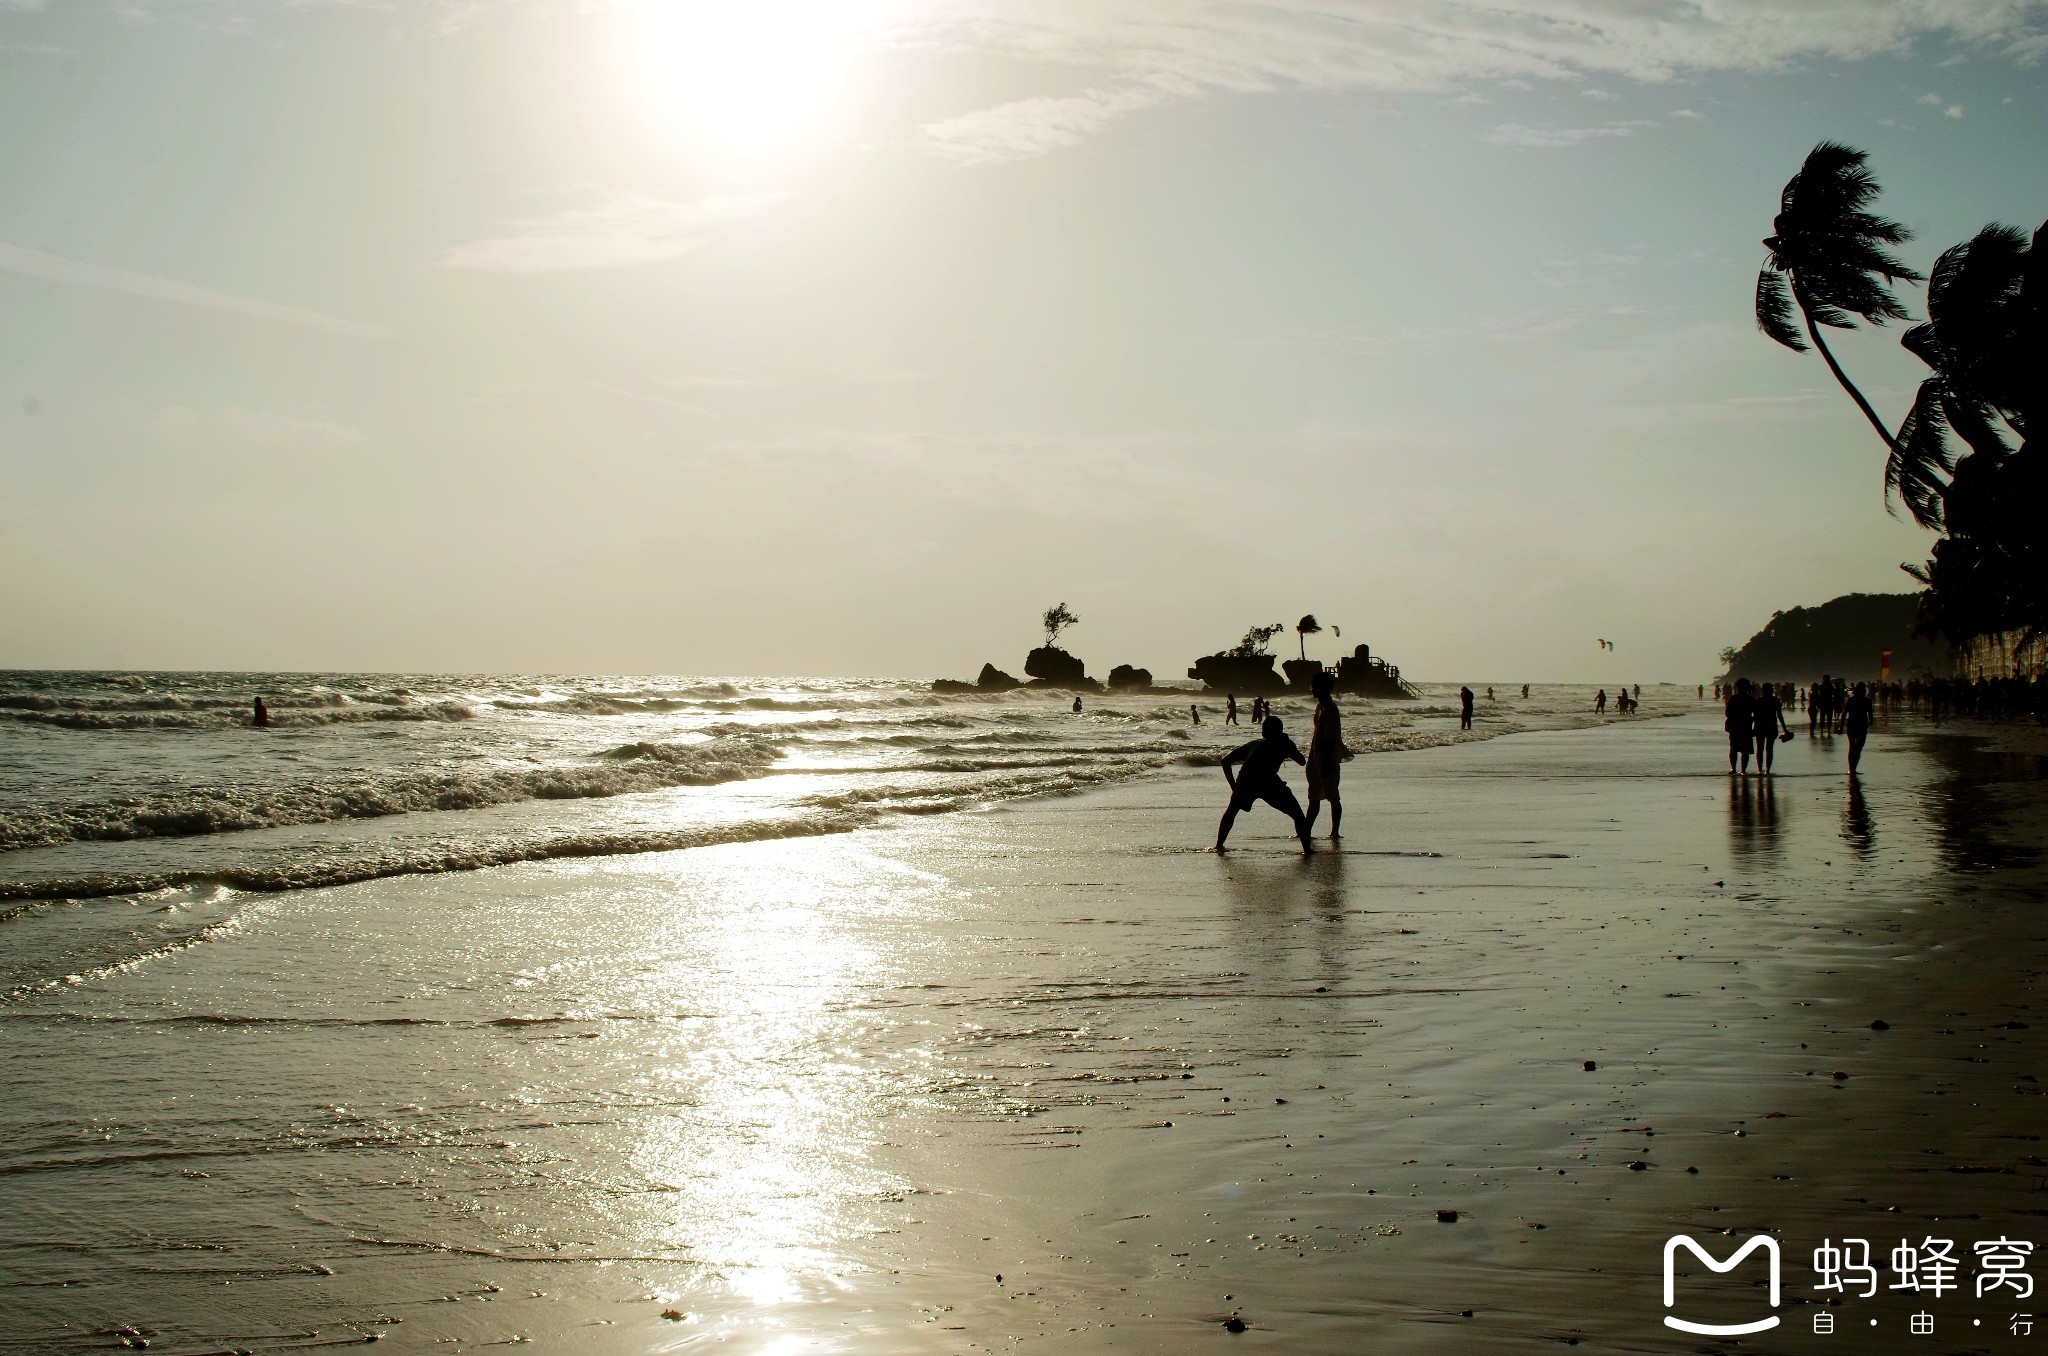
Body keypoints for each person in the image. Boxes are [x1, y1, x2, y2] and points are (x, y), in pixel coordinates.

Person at [1216, 715, 1312, 854]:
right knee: (1297, 815)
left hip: (1247, 780)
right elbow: (1301, 761)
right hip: (1268, 781)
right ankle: (1307, 850)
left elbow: (1225, 761)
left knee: (1231, 812)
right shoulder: (1285, 744)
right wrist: (1289, 746)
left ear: (1264, 732)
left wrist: (1234, 787)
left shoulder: (1254, 744)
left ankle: (1218, 845)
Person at [1304, 671, 1349, 840]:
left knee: (1332, 795)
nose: (1312, 689)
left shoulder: (1330, 709)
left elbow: (1332, 739)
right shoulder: (1320, 705)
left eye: (1314, 686)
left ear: (1324, 688)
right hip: (1316, 754)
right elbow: (1317, 733)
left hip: (1327, 756)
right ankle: (1306, 829)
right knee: (1313, 795)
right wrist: (1311, 755)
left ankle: (1335, 831)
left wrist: (1328, 762)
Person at [1752, 678, 1789, 773]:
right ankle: (1767, 770)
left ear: (1762, 690)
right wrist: (1785, 730)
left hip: (1760, 726)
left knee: (1760, 749)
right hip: (1771, 726)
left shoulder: (1759, 700)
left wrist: (1753, 728)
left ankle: (1760, 769)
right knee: (1769, 749)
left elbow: (1755, 716)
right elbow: (1779, 716)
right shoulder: (1775, 700)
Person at [1724, 677, 1755, 774]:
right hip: (1745, 726)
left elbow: (1727, 713)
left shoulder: (1734, 698)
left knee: (1734, 748)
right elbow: (1756, 714)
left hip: (1735, 726)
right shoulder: (1750, 699)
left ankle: (1734, 769)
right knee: (1744, 750)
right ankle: (1742, 770)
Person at [1845, 681, 1874, 773]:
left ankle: (1851, 769)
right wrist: (1871, 721)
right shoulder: (1867, 700)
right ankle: (1853, 768)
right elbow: (1870, 713)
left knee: (1852, 747)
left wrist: (1840, 726)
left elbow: (1844, 713)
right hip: (1861, 725)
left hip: (1851, 724)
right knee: (1858, 748)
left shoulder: (1851, 700)